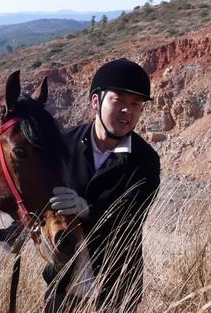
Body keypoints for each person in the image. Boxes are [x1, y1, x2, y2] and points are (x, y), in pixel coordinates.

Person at [45, 58, 161, 312]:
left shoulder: (145, 161)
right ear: (96, 101)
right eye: (118, 100)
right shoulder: (64, 146)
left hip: (116, 284)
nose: (127, 111)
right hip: (64, 283)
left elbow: (130, 221)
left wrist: (87, 208)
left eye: (136, 104)